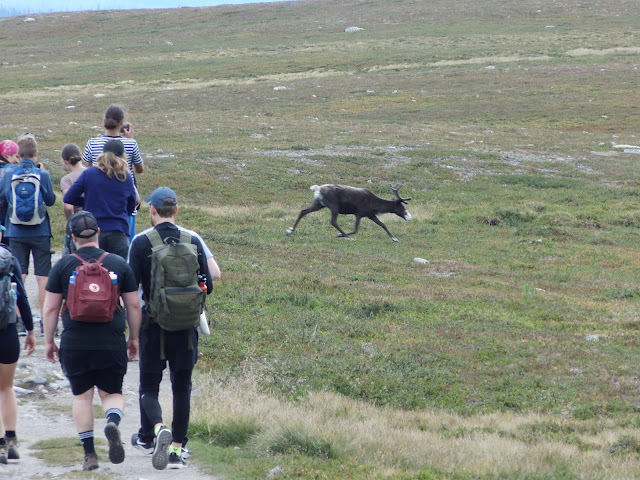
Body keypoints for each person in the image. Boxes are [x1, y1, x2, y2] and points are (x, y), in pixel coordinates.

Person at [42, 210, 141, 472]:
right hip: (110, 340)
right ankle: (112, 422)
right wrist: (133, 337)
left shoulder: (63, 265)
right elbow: (134, 305)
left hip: (76, 342)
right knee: (112, 394)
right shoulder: (119, 264)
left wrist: (50, 341)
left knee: (82, 397)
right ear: (98, 233)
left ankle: (89, 456)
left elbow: (51, 309)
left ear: (72, 237)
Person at [128, 187, 213, 470]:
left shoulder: (141, 242)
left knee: (149, 387)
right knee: (183, 386)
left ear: (152, 211)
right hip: (187, 328)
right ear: (176, 210)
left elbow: (132, 292)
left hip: (154, 326)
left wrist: (133, 333)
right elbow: (208, 286)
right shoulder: (193, 239)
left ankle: (157, 429)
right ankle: (177, 449)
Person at [0, 134, 56, 333]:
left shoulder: (8, 174)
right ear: (35, 153)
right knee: (42, 276)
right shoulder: (43, 175)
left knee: (18, 274)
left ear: (18, 154)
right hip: (40, 231)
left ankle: (17, 320)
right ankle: (44, 320)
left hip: (15, 230)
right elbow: (50, 200)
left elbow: (3, 199)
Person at [64, 139, 137, 260]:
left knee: (92, 273)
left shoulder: (90, 173)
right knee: (118, 274)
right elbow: (131, 206)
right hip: (118, 232)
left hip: (94, 232)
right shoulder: (126, 177)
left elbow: (69, 197)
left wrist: (87, 201)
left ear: (102, 154)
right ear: (122, 157)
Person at [0, 224, 35, 464]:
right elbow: (21, 297)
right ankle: (11, 440)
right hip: (7, 332)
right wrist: (31, 330)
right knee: (6, 387)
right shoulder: (8, 259)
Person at [83, 104, 144, 239]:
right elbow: (139, 169)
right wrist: (129, 140)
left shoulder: (92, 143)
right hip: (123, 199)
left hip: (98, 199)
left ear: (104, 121)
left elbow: (88, 166)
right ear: (122, 123)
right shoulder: (130, 144)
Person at [60, 144, 86, 255]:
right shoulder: (93, 172)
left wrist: (69, 221)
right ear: (81, 155)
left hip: (77, 221)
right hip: (95, 219)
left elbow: (68, 206)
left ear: (64, 160)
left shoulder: (67, 180)